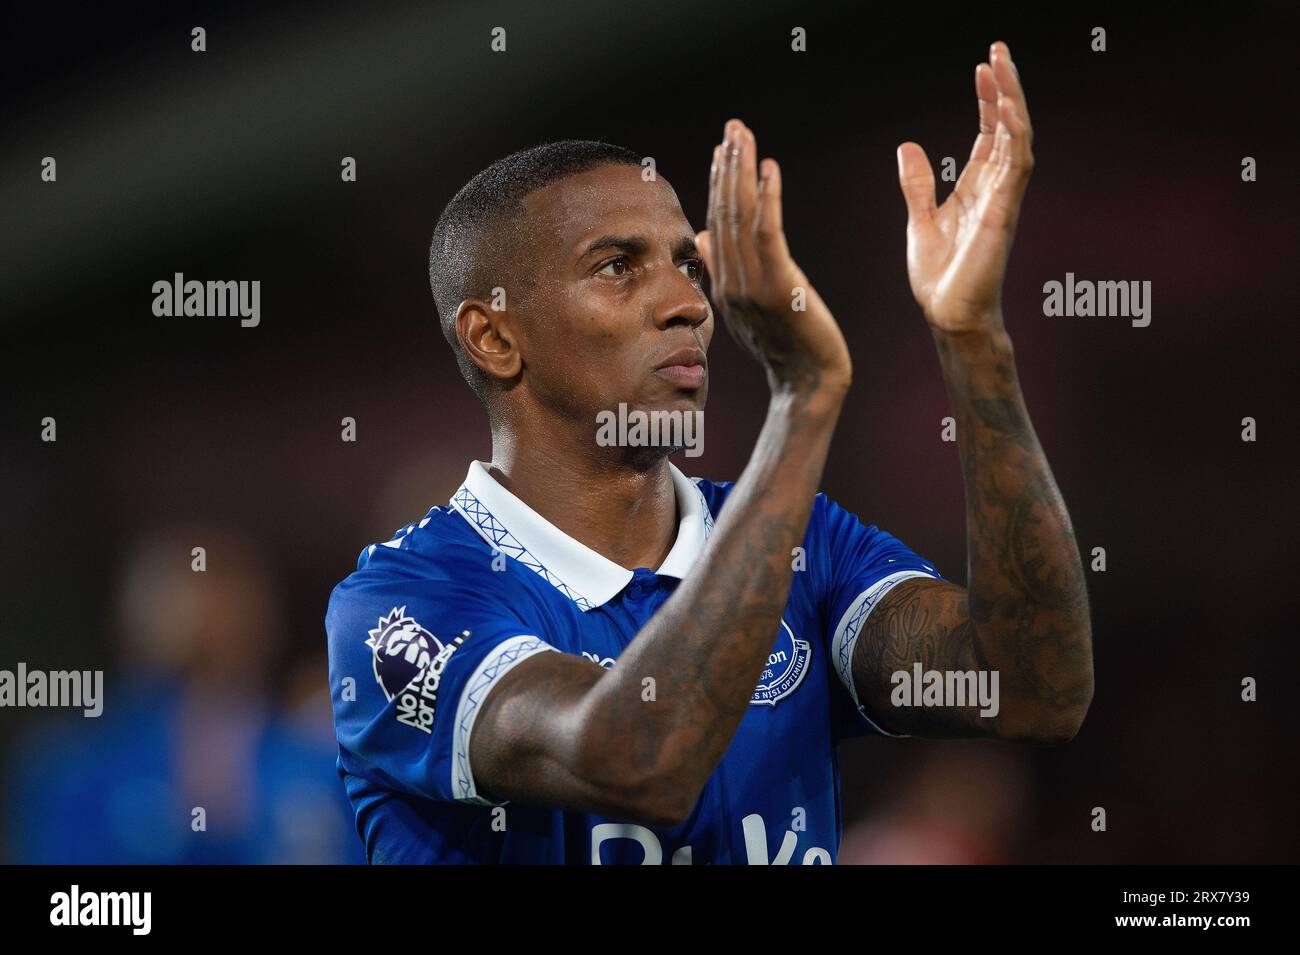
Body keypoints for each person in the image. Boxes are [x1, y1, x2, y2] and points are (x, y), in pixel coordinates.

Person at [326, 41, 1093, 864]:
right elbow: (636, 760)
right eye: (618, 266)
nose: (689, 302)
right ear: (495, 336)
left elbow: (1030, 690)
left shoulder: (807, 547)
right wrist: (802, 399)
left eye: (690, 263)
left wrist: (972, 336)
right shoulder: (401, 607)